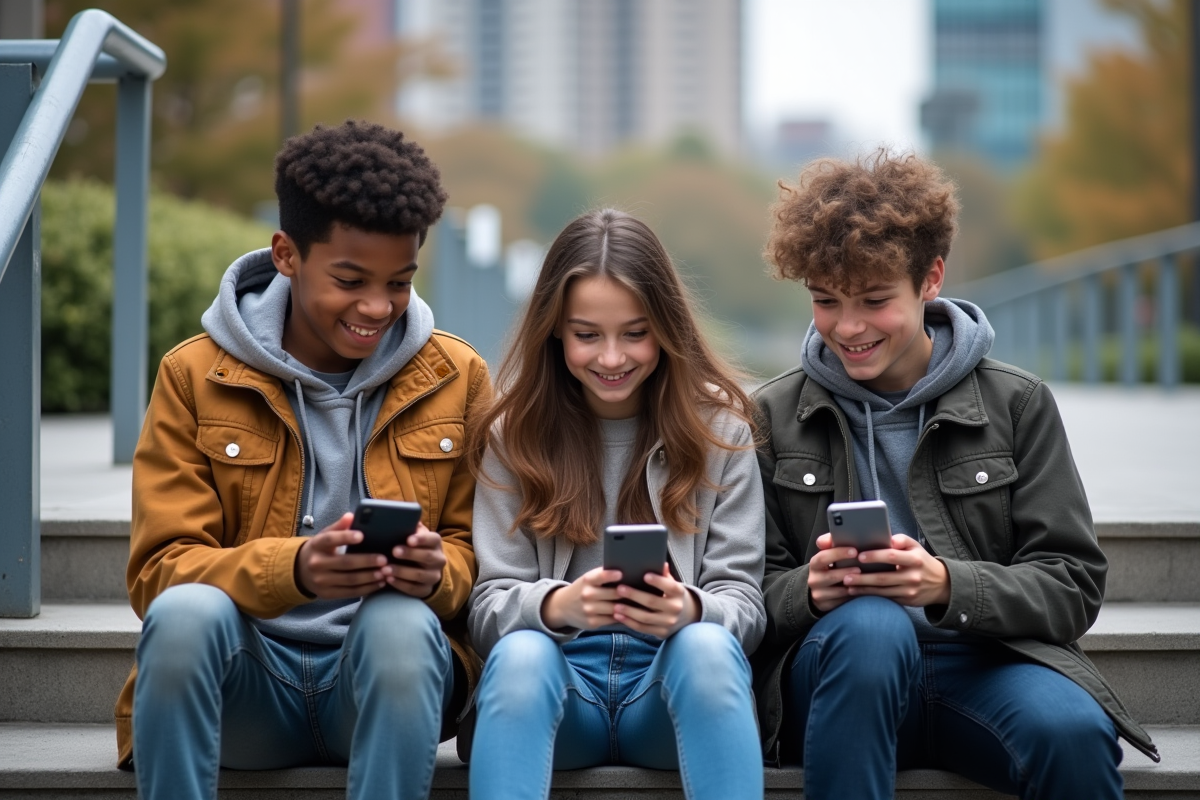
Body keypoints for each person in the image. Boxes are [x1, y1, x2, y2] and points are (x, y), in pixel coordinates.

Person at [750, 150, 1158, 800]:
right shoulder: (771, 415)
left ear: (931, 278)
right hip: (844, 675)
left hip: (988, 663)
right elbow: (745, 594)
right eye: (825, 300)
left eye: (875, 300)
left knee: (1074, 733)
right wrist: (814, 590)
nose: (847, 326)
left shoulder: (1016, 403)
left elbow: (1073, 585)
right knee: (872, 626)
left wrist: (946, 585)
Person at [116, 120, 491, 800]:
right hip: (246, 690)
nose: (376, 307)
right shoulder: (194, 376)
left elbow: (479, 555)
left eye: (399, 283)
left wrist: (439, 571)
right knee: (184, 616)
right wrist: (294, 567)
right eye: (350, 280)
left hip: (384, 689)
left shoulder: (457, 376)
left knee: (401, 622)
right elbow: (160, 572)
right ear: (286, 254)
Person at [462, 209, 766, 800]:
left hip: (669, 690)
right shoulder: (511, 434)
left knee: (707, 646)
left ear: (667, 327)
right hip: (557, 689)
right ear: (553, 328)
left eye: (634, 333)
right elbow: (487, 609)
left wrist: (690, 611)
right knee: (522, 654)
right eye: (586, 335)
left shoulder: (720, 431)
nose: (610, 358)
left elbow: (745, 607)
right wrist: (559, 605)